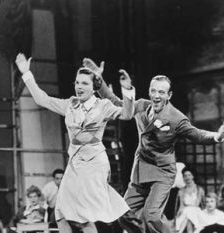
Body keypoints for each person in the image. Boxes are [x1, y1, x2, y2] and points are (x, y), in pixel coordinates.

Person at [82, 58, 224, 233]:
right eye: (153, 91)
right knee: (123, 214)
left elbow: (196, 134)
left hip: (162, 173)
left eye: (161, 92)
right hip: (140, 171)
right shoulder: (142, 106)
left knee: (151, 215)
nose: (156, 95)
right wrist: (99, 82)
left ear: (169, 95)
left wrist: (216, 137)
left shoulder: (176, 118)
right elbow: (116, 102)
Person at [15, 53, 135, 233]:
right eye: (77, 82)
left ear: (94, 87)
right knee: (61, 214)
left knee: (84, 217)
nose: (79, 86)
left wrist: (127, 91)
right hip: (75, 165)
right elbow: (42, 99)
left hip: (94, 164)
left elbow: (127, 114)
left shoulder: (103, 106)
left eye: (84, 83)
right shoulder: (70, 105)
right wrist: (26, 73)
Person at [175, 166, 205, 233]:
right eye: (185, 176)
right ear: (183, 177)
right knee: (186, 217)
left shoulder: (199, 190)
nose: (187, 177)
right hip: (184, 212)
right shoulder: (181, 191)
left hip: (196, 212)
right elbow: (180, 205)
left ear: (193, 176)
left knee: (189, 215)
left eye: (189, 175)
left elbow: (202, 205)